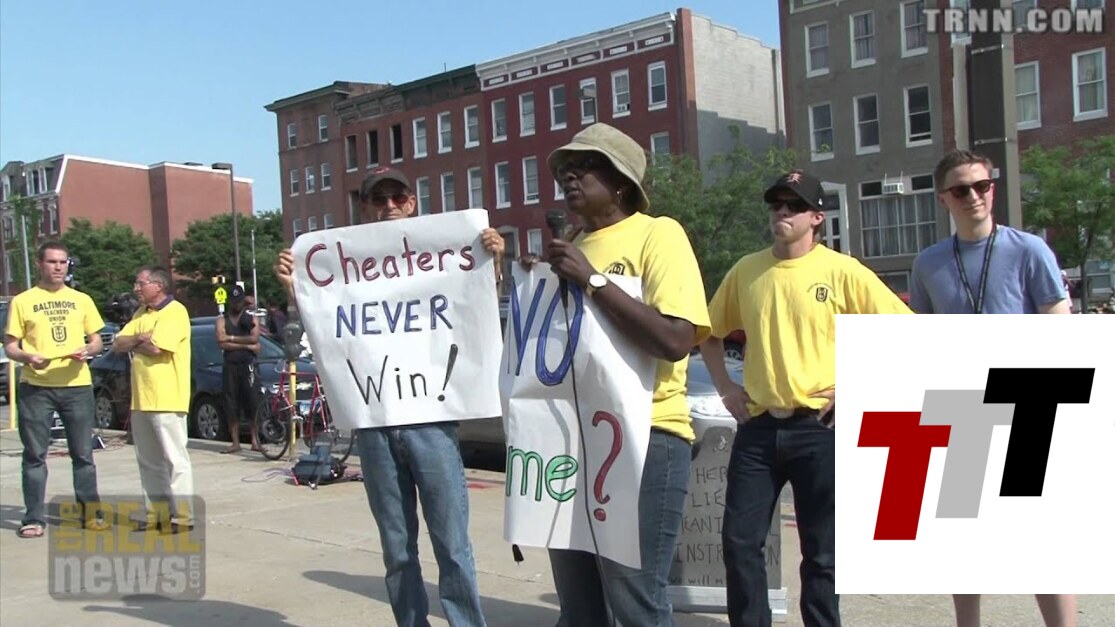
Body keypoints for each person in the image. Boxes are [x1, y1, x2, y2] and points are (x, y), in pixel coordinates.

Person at [274, 165, 505, 627]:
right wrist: (296, 287)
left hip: (432, 423)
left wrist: (491, 263)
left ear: (412, 203)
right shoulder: (342, 266)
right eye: (379, 199)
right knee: (398, 549)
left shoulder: (443, 252)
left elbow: (470, 308)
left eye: (398, 197)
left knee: (452, 545)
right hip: (375, 424)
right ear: (364, 207)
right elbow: (328, 330)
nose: (389, 206)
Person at [699, 169, 912, 627]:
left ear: (817, 217)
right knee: (739, 542)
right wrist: (725, 387)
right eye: (776, 204)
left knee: (823, 551)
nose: (782, 212)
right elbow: (708, 333)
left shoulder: (842, 271)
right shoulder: (747, 270)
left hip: (819, 426)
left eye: (794, 205)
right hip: (758, 427)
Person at [529, 122, 711, 626]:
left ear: (622, 183)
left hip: (646, 437)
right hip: (571, 444)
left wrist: (591, 279)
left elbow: (675, 339)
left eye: (585, 166)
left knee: (635, 600)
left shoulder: (658, 234)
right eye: (565, 168)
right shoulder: (570, 246)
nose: (570, 175)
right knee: (580, 606)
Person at [909, 149, 1074, 627]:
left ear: (992, 189)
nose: (974, 196)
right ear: (944, 198)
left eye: (982, 185)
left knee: (1041, 542)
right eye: (961, 189)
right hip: (963, 412)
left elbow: (1060, 327)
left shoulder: (1029, 250)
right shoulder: (929, 263)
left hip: (1028, 407)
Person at [5, 241, 108, 538]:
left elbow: (97, 341)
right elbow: (11, 346)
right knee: (35, 455)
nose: (58, 267)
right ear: (40, 264)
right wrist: (28, 356)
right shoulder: (23, 301)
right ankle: (33, 518)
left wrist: (88, 350)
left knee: (83, 454)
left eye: (63, 262)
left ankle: (90, 514)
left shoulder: (81, 300)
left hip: (76, 386)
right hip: (37, 387)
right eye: (52, 262)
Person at [112, 266, 195, 531]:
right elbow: (117, 343)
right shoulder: (140, 314)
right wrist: (139, 338)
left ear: (158, 285)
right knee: (148, 462)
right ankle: (156, 514)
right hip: (141, 400)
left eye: (141, 283)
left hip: (167, 398)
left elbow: (157, 348)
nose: (136, 288)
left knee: (174, 460)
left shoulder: (175, 312)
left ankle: (183, 517)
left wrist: (136, 342)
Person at [216, 284, 262, 454]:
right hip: (230, 366)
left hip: (248, 365)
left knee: (253, 401)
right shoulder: (222, 320)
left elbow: (255, 338)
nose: (237, 305)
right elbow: (221, 341)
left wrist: (231, 338)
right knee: (231, 403)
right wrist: (247, 345)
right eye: (234, 301)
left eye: (239, 301)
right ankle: (235, 442)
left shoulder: (251, 318)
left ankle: (255, 440)